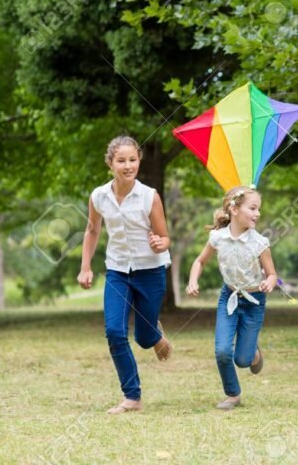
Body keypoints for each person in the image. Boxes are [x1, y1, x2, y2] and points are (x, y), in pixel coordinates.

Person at [77, 136, 173, 414]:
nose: (128, 165)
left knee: (143, 338)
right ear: (110, 163)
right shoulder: (99, 196)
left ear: (139, 160)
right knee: (114, 331)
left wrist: (160, 243)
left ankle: (154, 334)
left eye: (133, 160)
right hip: (118, 270)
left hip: (150, 270)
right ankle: (132, 396)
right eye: (121, 160)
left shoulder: (149, 196)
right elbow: (92, 230)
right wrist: (85, 267)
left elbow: (165, 237)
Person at [186, 186, 277, 410]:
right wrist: (193, 280)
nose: (257, 213)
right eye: (252, 208)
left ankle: (252, 352)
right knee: (222, 351)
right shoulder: (218, 238)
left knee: (242, 360)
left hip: (254, 302)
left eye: (259, 209)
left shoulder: (260, 243)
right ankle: (233, 394)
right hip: (229, 297)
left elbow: (272, 273)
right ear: (234, 209)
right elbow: (200, 261)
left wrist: (269, 282)